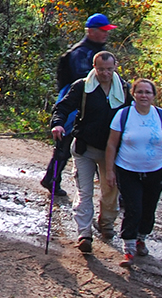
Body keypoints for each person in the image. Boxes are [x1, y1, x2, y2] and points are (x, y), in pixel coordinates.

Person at [49, 50, 127, 251]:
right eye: (101, 69)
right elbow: (62, 108)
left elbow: (133, 118)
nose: (105, 73)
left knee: (110, 191)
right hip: (84, 147)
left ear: (115, 67)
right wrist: (57, 124)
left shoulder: (124, 90)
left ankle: (106, 224)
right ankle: (84, 233)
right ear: (94, 67)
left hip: (112, 152)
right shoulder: (83, 87)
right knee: (85, 191)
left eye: (109, 69)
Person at [104, 78, 162, 267]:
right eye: (140, 92)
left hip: (155, 171)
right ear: (133, 94)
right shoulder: (123, 115)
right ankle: (129, 249)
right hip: (128, 170)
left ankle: (141, 239)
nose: (144, 96)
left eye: (148, 92)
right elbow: (111, 144)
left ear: (154, 96)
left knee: (148, 209)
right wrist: (109, 171)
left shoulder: (161, 116)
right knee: (133, 208)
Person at [43, 13, 117, 198]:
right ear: (91, 31)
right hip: (76, 104)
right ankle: (52, 179)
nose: (106, 34)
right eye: (103, 31)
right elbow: (83, 81)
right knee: (66, 143)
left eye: (108, 30)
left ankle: (113, 190)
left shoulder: (97, 51)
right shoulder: (81, 52)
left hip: (91, 104)